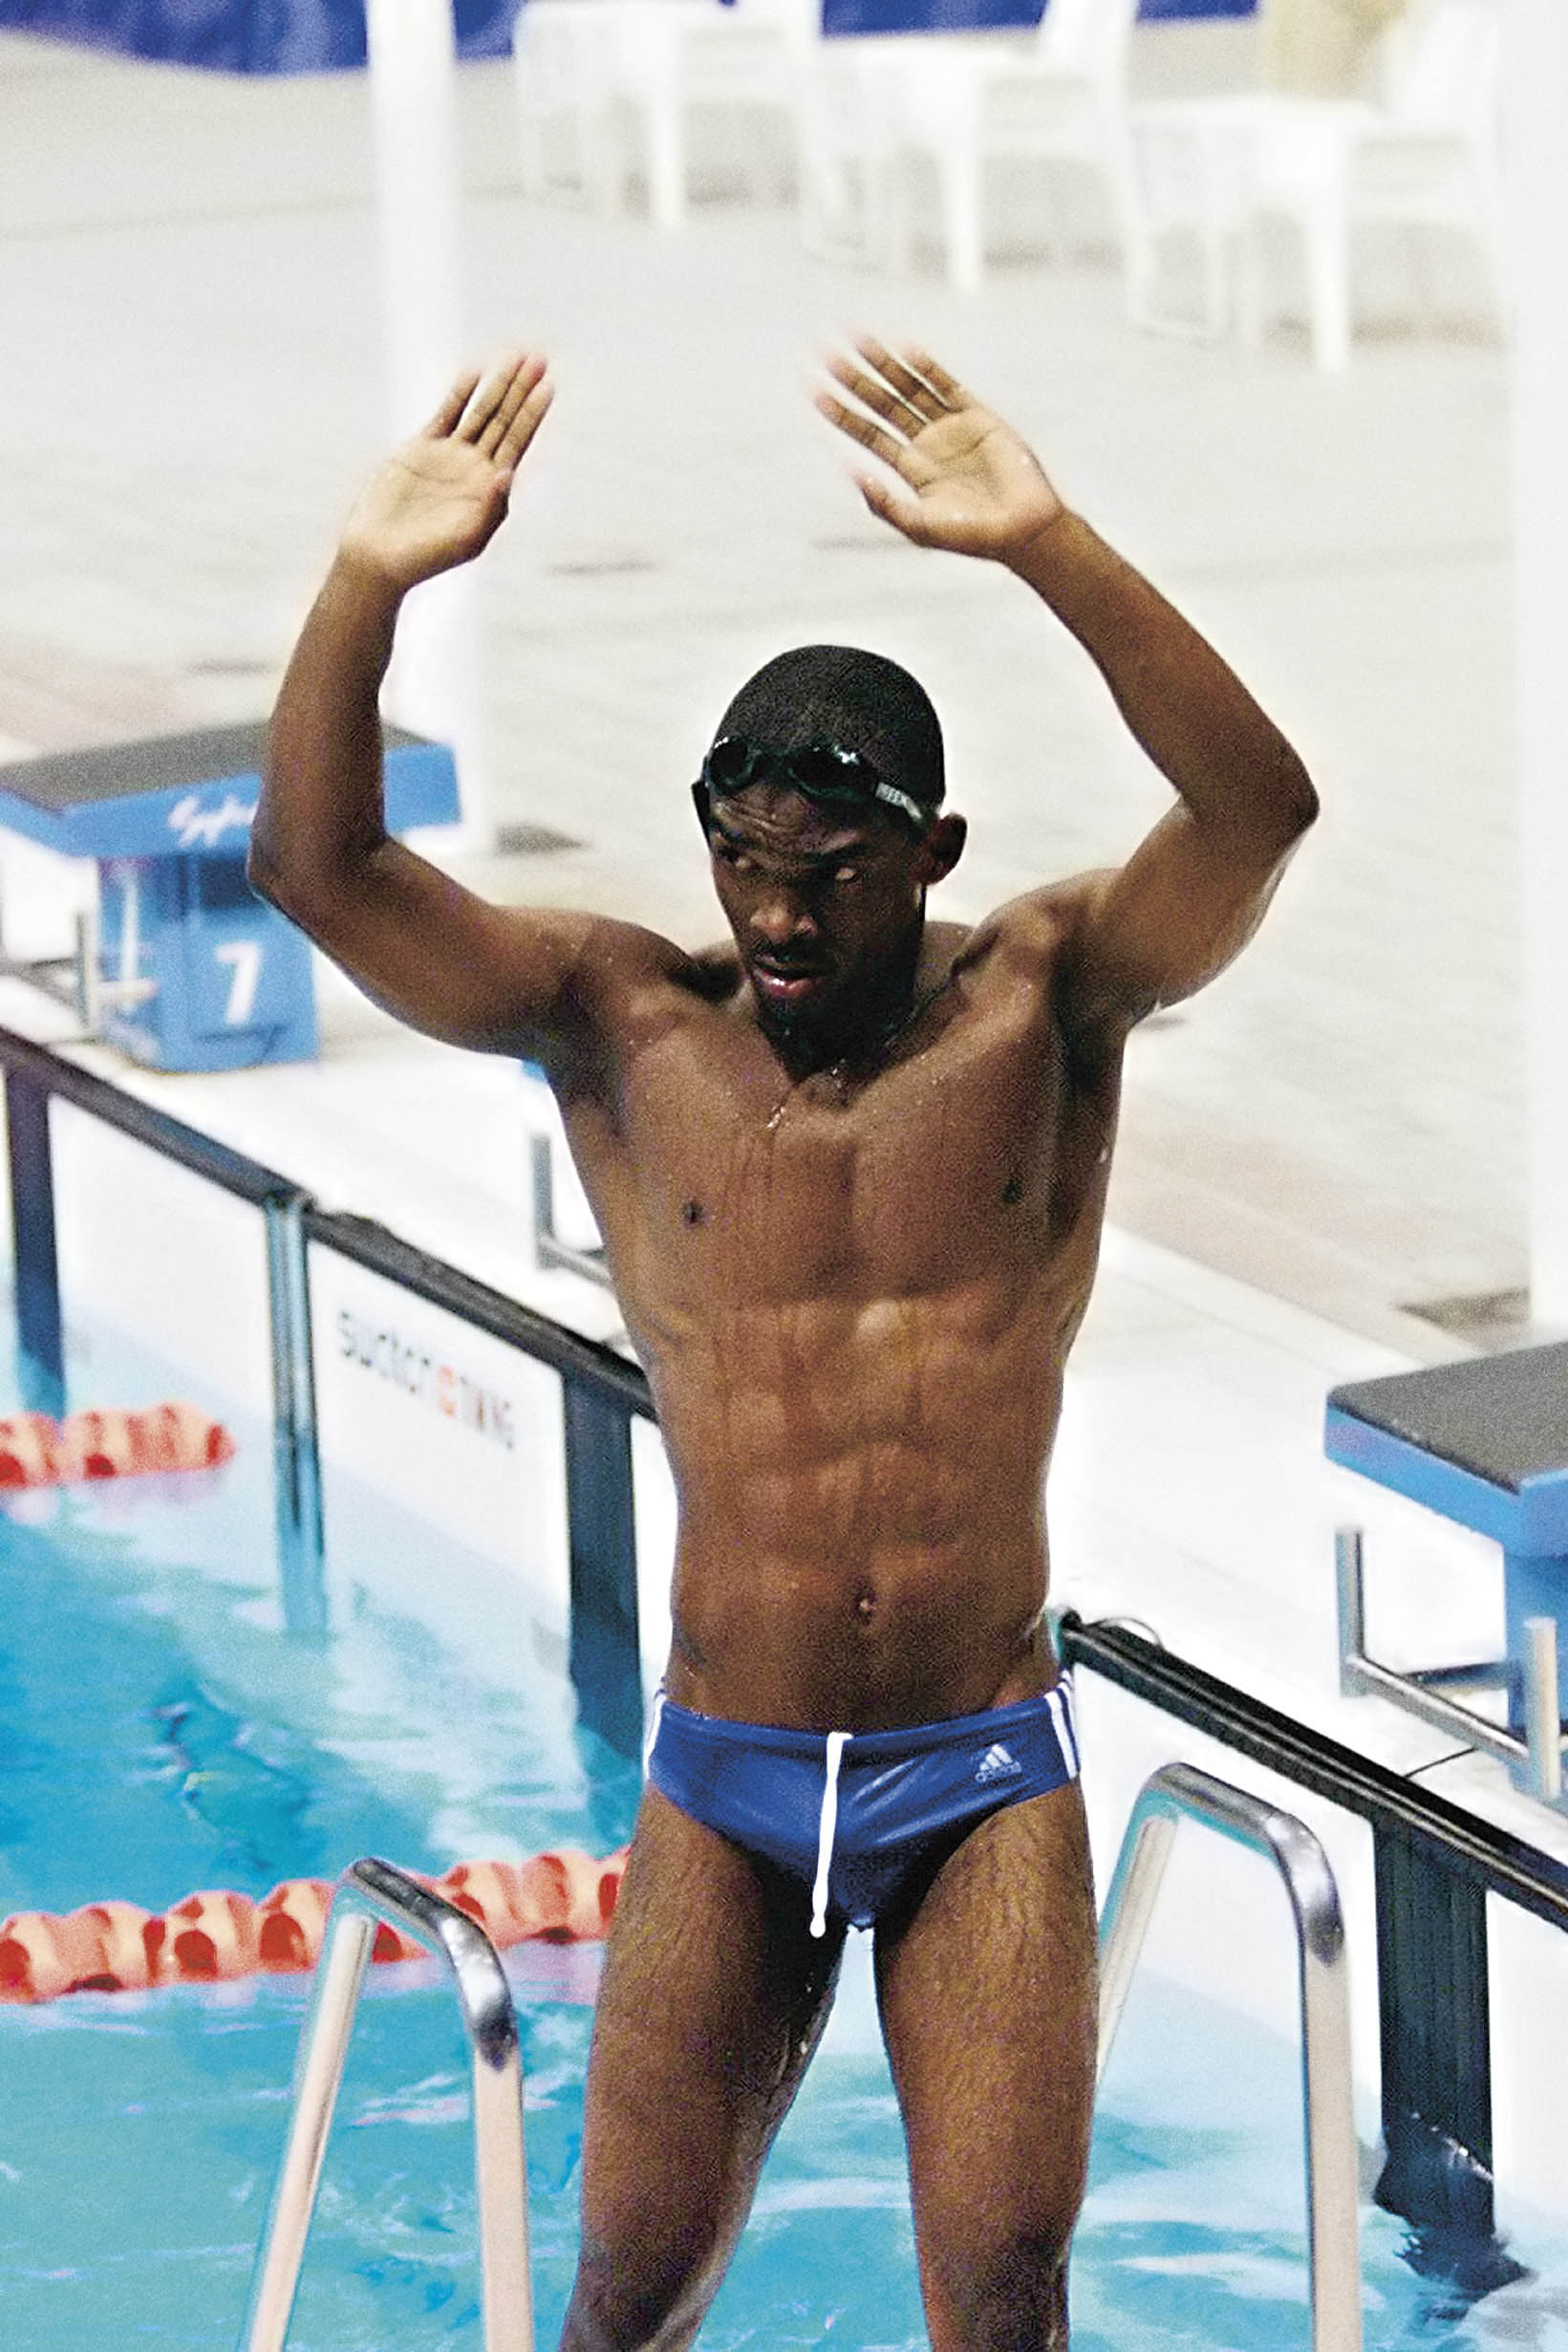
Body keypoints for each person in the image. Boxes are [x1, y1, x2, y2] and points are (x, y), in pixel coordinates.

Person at [251, 337, 1317, 2352]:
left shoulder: (1043, 1004)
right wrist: (365, 587)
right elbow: (315, 869)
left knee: (1000, 2297)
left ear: (931, 851)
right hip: (723, 1765)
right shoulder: (624, 1023)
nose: (774, 915)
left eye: (824, 875)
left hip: (973, 1764)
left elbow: (1257, 807)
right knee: (626, 2300)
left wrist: (1043, 542)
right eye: (741, 865)